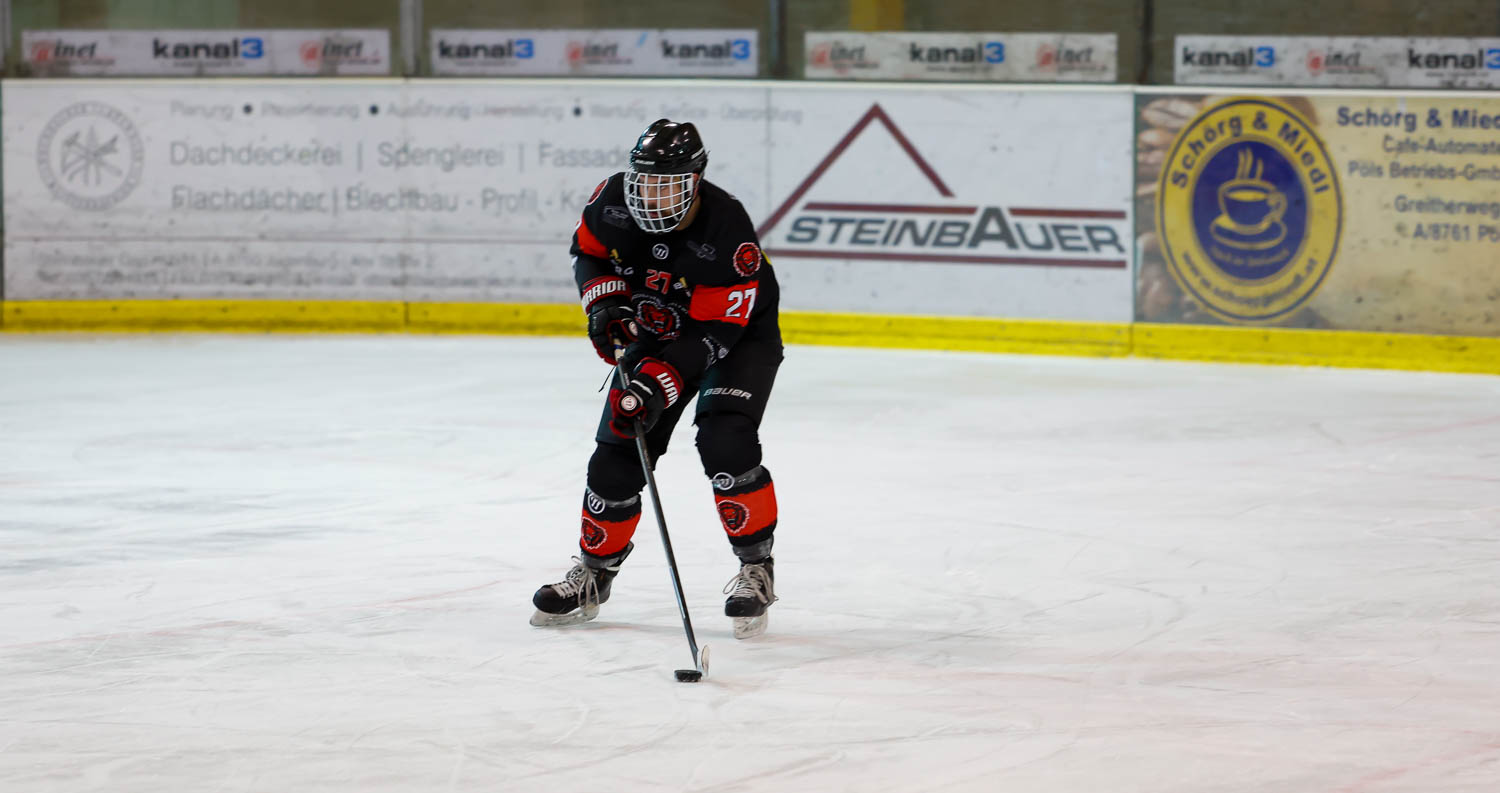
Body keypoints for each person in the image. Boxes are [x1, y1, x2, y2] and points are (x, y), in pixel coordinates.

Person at [530, 119, 783, 639]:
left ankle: (756, 568)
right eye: (646, 182)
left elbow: (716, 330)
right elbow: (589, 253)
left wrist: (660, 380)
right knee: (618, 448)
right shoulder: (611, 200)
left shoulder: (726, 227)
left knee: (725, 440)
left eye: (668, 185)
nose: (653, 196)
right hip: (658, 326)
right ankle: (595, 573)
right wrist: (604, 304)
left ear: (696, 181)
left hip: (735, 337)